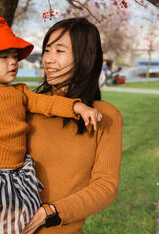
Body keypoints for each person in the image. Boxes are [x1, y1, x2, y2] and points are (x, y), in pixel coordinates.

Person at [0, 17, 102, 234]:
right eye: (4, 57)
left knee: (15, 224)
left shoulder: (20, 92)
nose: (13, 62)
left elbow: (48, 104)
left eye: (14, 56)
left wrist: (77, 108)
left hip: (17, 176)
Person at [23, 18, 123, 233]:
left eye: (59, 51)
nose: (48, 59)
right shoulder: (28, 106)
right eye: (47, 50)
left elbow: (105, 187)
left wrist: (49, 213)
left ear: (85, 57)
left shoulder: (106, 116)